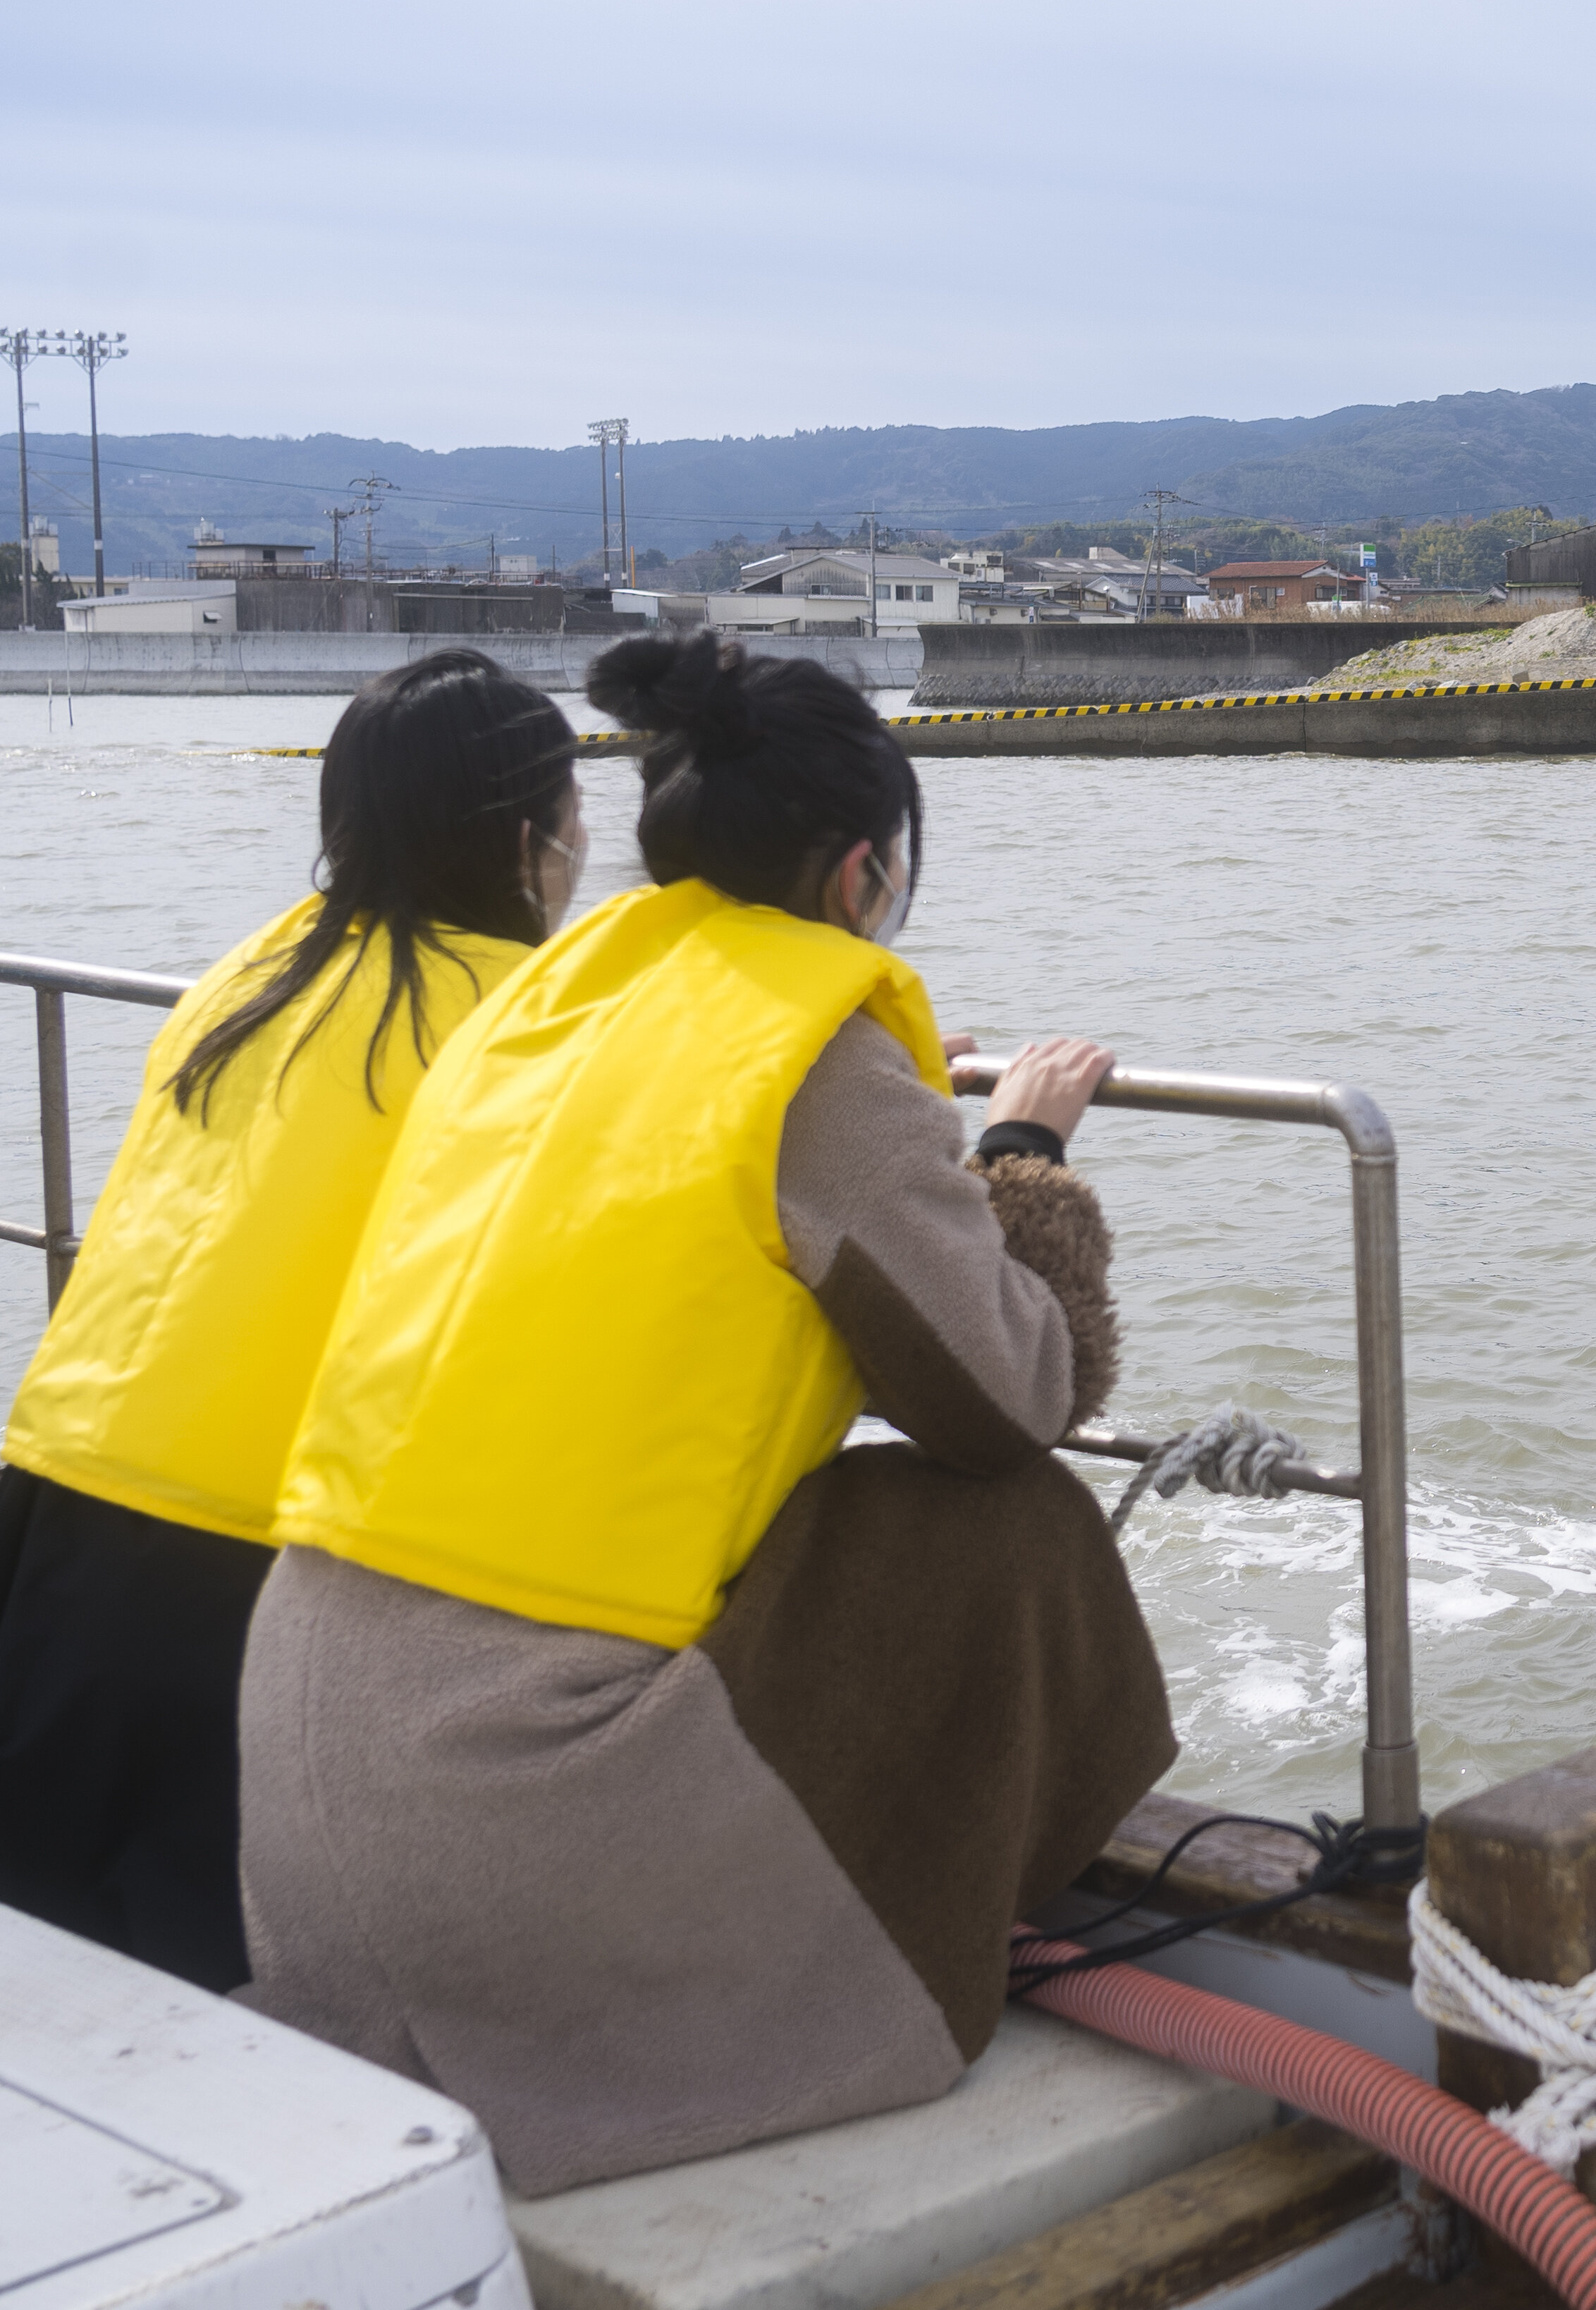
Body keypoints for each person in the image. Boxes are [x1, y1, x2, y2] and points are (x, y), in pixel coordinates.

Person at [236, 627, 1172, 2194]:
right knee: (996, 1521)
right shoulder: (822, 1059)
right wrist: (1018, 1156)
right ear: (865, 872)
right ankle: (920, 1934)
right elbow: (1017, 1396)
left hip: (303, 1784)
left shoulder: (544, 1004)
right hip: (501, 1841)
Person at [0, 650, 585, 1988]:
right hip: (258, 1545)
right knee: (218, 1965)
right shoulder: (521, 1015)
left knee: (24, 1934)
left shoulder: (257, 971)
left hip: (71, 1485)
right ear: (530, 837)